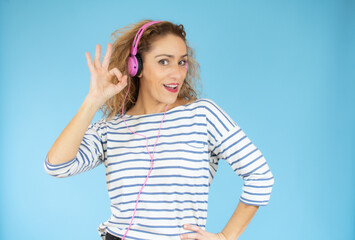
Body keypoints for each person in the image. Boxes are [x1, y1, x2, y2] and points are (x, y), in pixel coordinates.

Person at [44, 19, 274, 240]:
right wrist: (93, 100)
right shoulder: (111, 129)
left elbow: (260, 175)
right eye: (164, 61)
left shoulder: (203, 115)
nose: (177, 73)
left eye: (182, 62)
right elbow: (57, 166)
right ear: (137, 67)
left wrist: (226, 236)